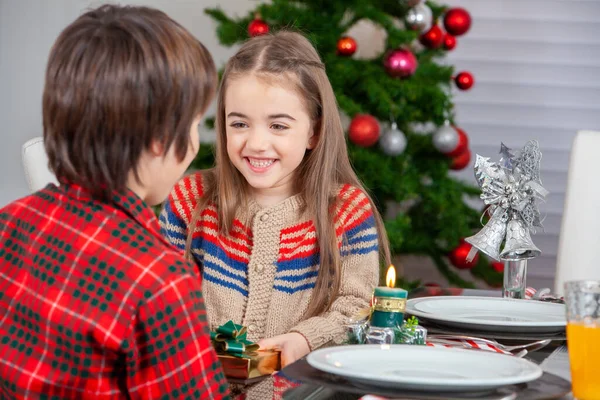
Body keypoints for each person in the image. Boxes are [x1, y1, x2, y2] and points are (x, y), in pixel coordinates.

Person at [0, 5, 229, 399]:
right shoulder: (162, 282)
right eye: (195, 123)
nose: (195, 142)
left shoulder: (9, 222)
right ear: (160, 140)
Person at [160, 30, 391, 397]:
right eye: (239, 123)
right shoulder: (191, 199)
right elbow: (159, 303)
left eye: (278, 125)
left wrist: (303, 339)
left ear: (313, 131)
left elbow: (359, 306)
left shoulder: (345, 211)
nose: (255, 143)